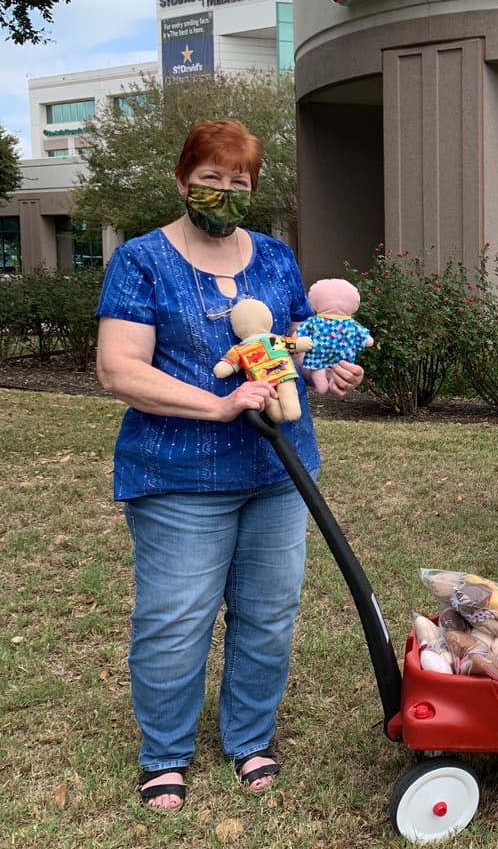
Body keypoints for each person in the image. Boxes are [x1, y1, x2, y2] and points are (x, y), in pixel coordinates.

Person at [95, 119, 365, 810]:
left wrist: (325, 369)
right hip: (180, 475)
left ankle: (250, 736)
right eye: (211, 179)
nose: (224, 193)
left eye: (238, 183)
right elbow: (117, 369)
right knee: (176, 619)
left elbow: (296, 340)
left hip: (277, 472)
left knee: (268, 615)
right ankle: (164, 753)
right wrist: (217, 405)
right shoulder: (143, 260)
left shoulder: (274, 256)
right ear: (183, 180)